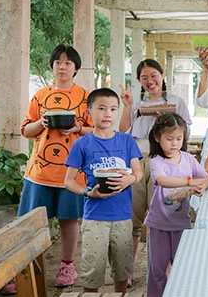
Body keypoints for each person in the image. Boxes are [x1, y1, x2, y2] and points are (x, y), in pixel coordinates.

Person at [15, 44, 93, 291]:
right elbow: (26, 130)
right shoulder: (39, 96)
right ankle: (23, 269)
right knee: (33, 222)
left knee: (69, 220)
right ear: (52, 67)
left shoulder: (85, 97)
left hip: (72, 173)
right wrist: (41, 122)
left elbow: (96, 130)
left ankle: (67, 266)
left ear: (76, 69)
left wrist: (78, 129)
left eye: (68, 63)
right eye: (58, 63)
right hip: (40, 172)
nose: (63, 67)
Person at [118, 58, 192, 285]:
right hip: (138, 160)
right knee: (132, 216)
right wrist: (128, 107)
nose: (150, 81)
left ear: (162, 76)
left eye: (153, 75)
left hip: (166, 161)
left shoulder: (176, 101)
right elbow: (123, 133)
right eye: (144, 78)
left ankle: (160, 270)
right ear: (139, 81)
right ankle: (127, 271)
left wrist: (165, 123)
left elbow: (185, 134)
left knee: (159, 217)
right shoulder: (136, 102)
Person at [64, 88, 143, 294]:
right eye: (101, 108)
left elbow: (138, 172)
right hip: (94, 218)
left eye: (113, 109)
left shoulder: (127, 141)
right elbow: (69, 181)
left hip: (123, 217)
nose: (107, 114)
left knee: (122, 271)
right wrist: (87, 193)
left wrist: (130, 179)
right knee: (92, 272)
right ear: (89, 111)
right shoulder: (82, 144)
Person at [144, 113, 208, 297]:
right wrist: (190, 182)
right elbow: (163, 180)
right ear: (157, 137)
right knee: (158, 270)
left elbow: (206, 177)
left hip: (181, 223)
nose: (174, 143)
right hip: (159, 224)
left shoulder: (188, 159)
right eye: (169, 138)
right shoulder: (156, 161)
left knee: (182, 267)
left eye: (179, 138)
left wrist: (203, 186)